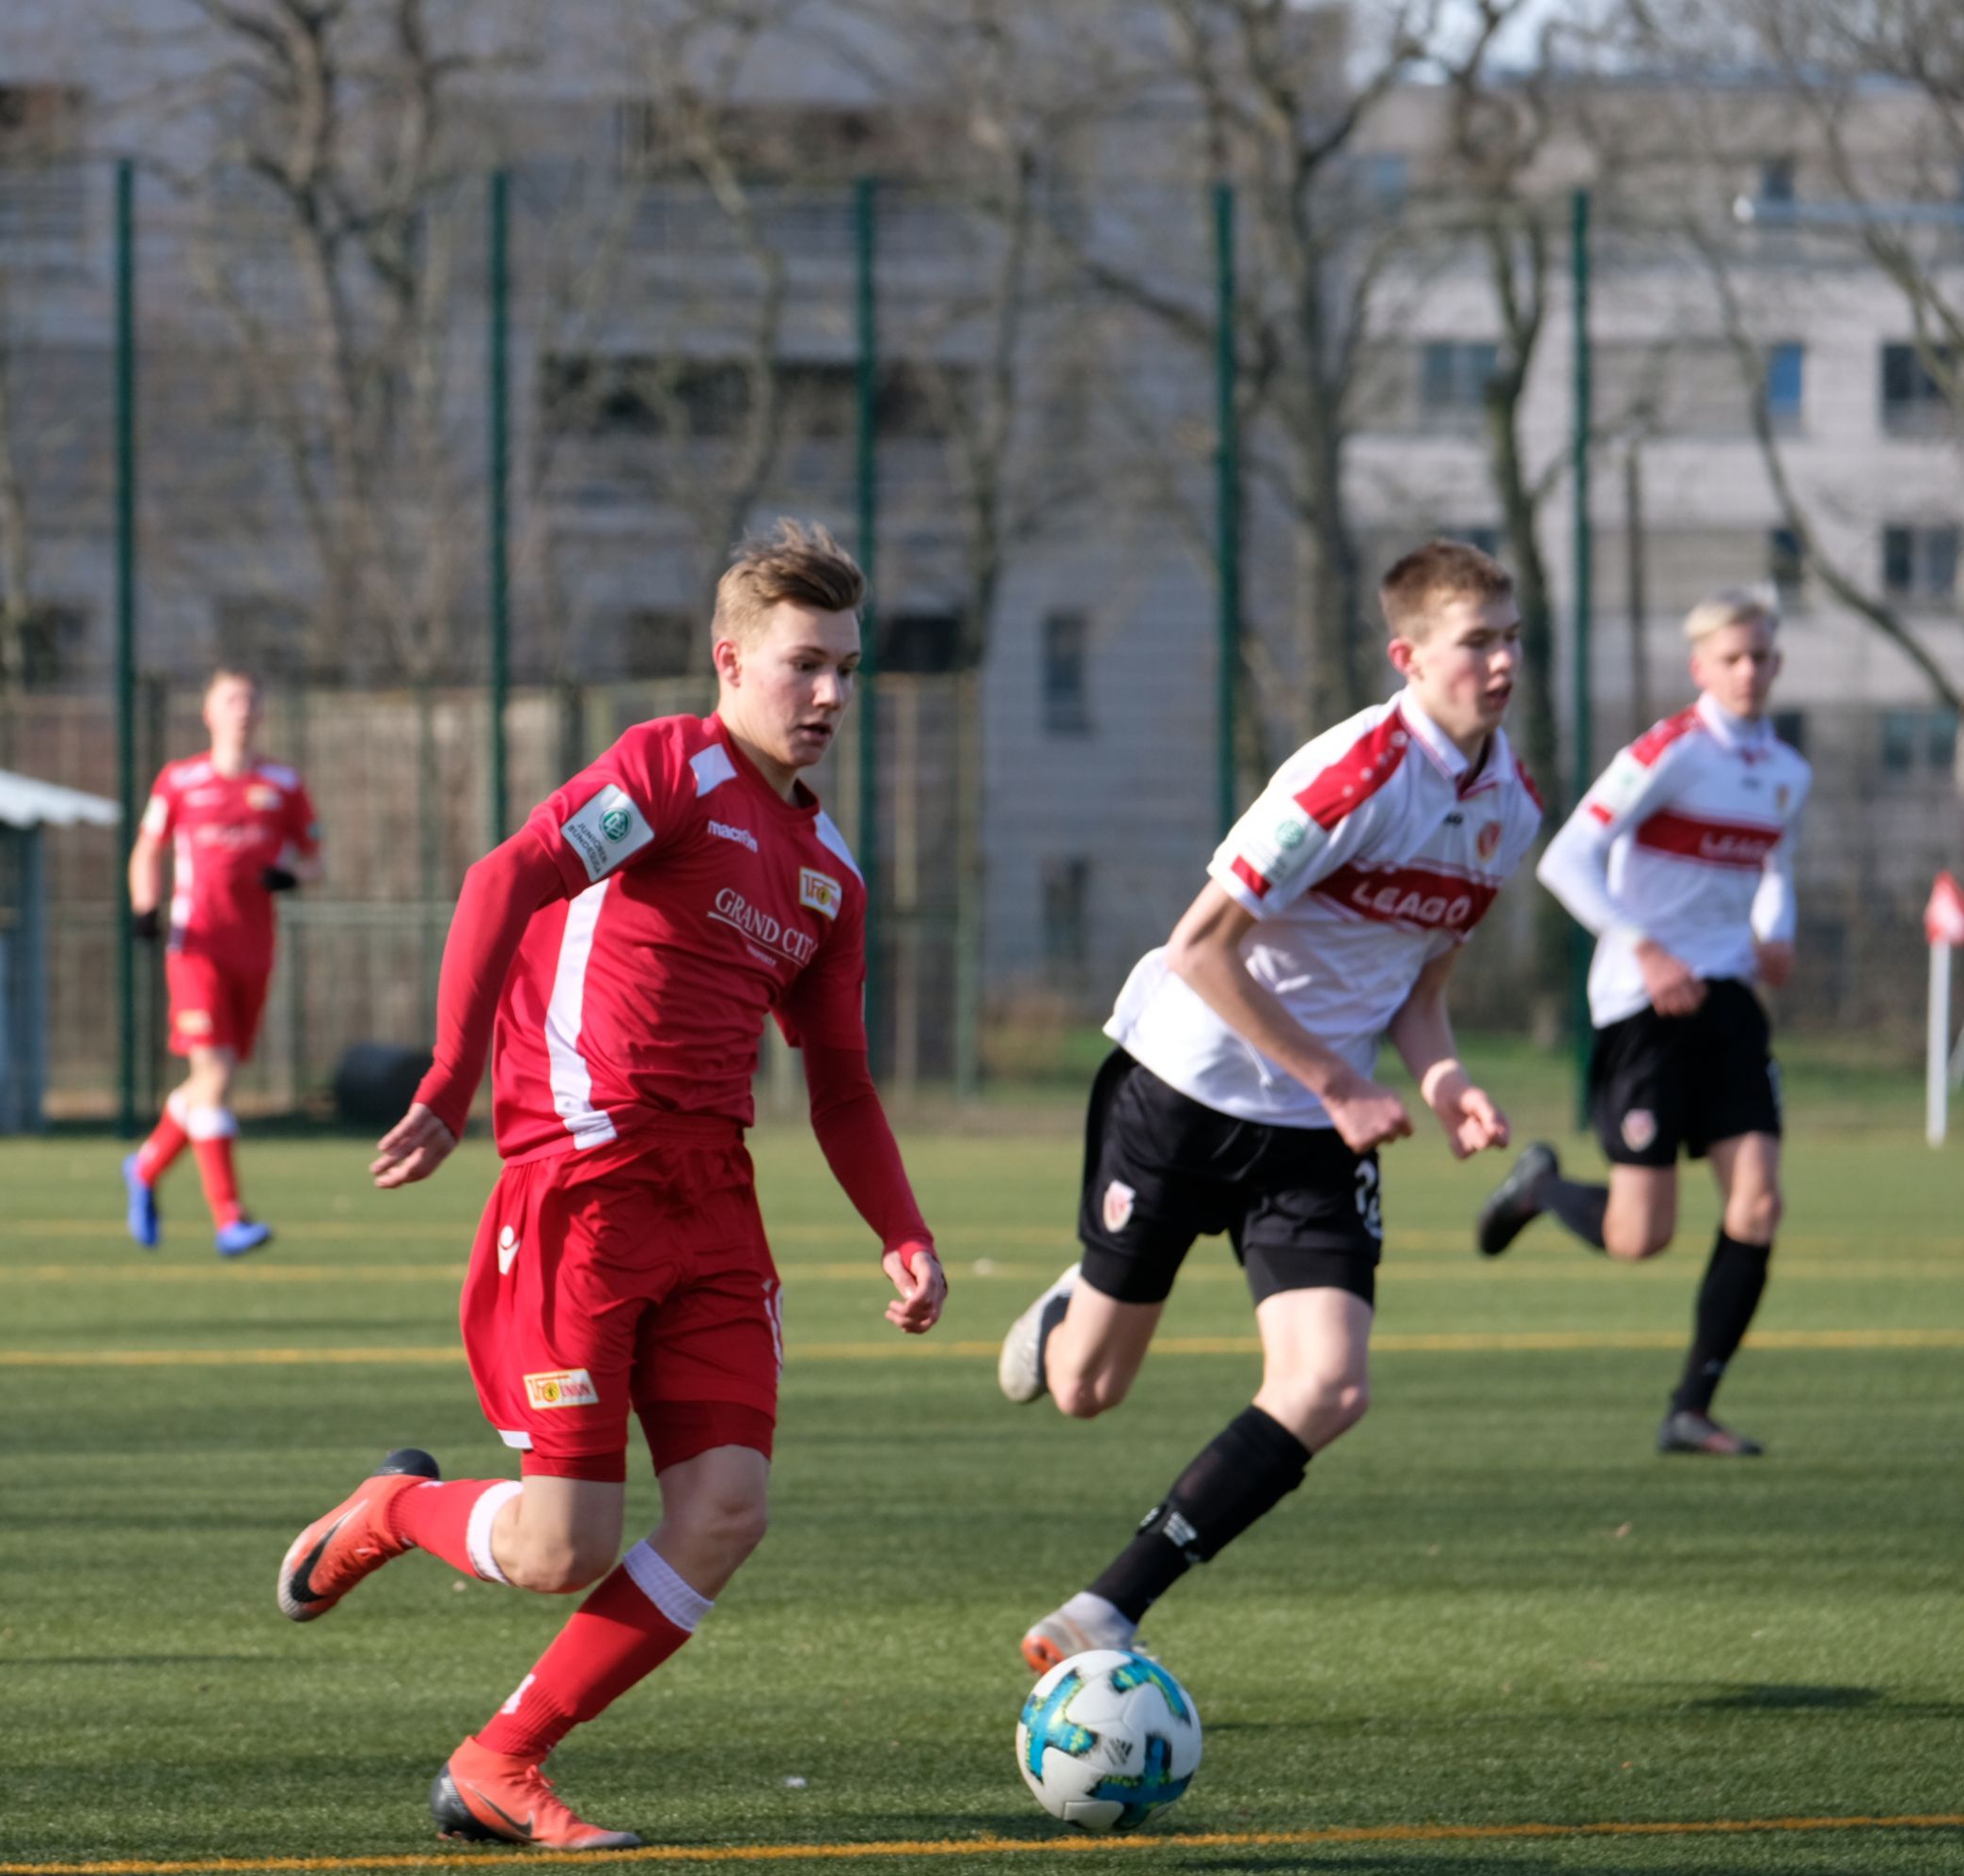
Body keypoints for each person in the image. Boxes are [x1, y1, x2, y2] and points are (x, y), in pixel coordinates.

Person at [272, 520, 946, 1849]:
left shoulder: (832, 872)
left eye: (849, 670)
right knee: (558, 1547)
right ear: (730, 658)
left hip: (714, 1200)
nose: (830, 696)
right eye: (804, 664)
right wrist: (450, 1079)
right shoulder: (670, 769)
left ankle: (500, 1760)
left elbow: (846, 1085)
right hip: (583, 1185)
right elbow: (504, 876)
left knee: (727, 1508)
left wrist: (903, 1230)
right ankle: (395, 1509)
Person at [994, 540, 1543, 1673]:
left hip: (1311, 1132)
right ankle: (1071, 1302)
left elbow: (1420, 990)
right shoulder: (1346, 776)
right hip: (1185, 1087)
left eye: (1512, 638)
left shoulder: (1510, 809)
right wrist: (1340, 1079)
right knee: (1085, 1389)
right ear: (1409, 657)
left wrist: (1446, 1084)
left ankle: (1109, 1607)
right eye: (1475, 642)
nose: (1501, 663)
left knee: (1330, 1386)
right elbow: (1199, 951)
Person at [1476, 591, 1810, 1457]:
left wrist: (1776, 931)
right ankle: (1542, 1187)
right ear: (1701, 668)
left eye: (1763, 656)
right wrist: (1647, 947)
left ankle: (1691, 1407)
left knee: (1759, 1201)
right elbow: (1566, 861)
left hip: (1729, 998)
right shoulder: (1670, 751)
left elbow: (1773, 864)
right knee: (1641, 1235)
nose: (1750, 671)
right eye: (1732, 658)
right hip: (1642, 1003)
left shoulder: (1784, 768)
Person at [120, 668, 321, 1255]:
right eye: (231, 699)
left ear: (261, 715)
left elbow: (317, 860)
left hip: (253, 951)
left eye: (251, 700)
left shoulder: (282, 783)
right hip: (195, 945)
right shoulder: (179, 781)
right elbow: (146, 849)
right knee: (216, 1078)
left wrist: (292, 875)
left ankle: (146, 1167)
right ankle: (229, 1217)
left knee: (207, 1083)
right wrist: (143, 906)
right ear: (208, 712)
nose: (242, 709)